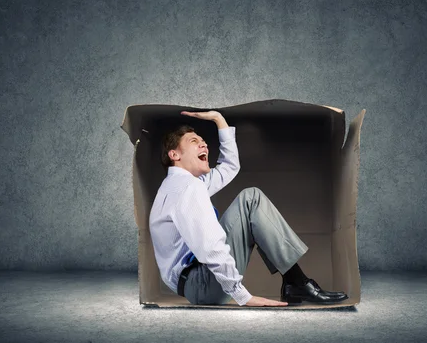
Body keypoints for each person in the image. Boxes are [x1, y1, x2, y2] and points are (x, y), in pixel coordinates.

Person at [148, 109, 349, 307]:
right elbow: (210, 247)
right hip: (202, 285)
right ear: (174, 154)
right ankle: (297, 282)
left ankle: (295, 282)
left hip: (196, 284)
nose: (204, 144)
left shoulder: (177, 185)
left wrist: (219, 120)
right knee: (251, 199)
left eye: (203, 141)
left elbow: (229, 166)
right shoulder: (187, 187)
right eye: (194, 141)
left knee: (250, 199)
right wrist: (242, 295)